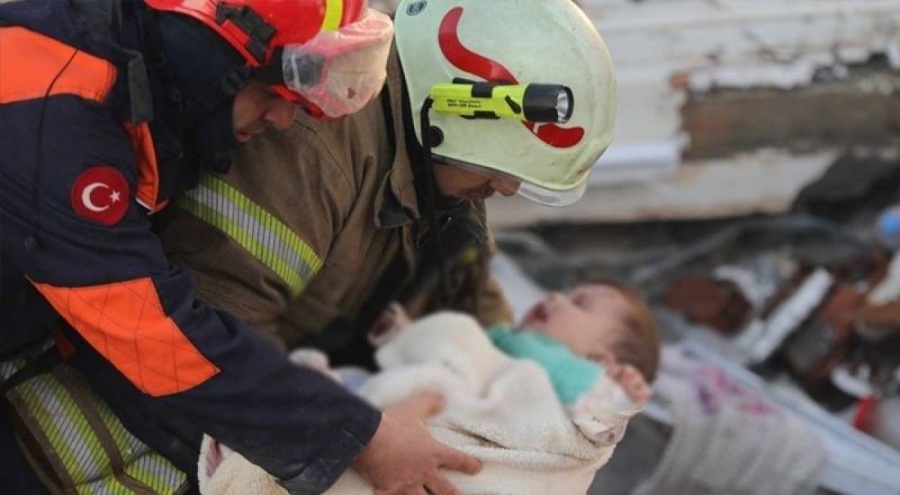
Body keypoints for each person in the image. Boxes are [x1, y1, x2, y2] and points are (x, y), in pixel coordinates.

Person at [0, 1, 481, 494]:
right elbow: (154, 336)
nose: (283, 119)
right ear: (205, 52)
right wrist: (362, 437)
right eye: (269, 91)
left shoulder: (134, 82)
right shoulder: (58, 117)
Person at [157, 0, 619, 372]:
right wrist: (359, 428)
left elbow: (465, 298)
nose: (504, 189)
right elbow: (217, 336)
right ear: (462, 107)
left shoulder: (440, 167)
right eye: (502, 174)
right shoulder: (317, 147)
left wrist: (550, 378)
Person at [198, 281, 660, 495]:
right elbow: (453, 358)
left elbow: (594, 425)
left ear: (601, 360)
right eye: (563, 291)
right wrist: (405, 336)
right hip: (435, 423)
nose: (555, 297)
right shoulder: (501, 345)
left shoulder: (558, 371)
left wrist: (612, 399)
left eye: (578, 303)